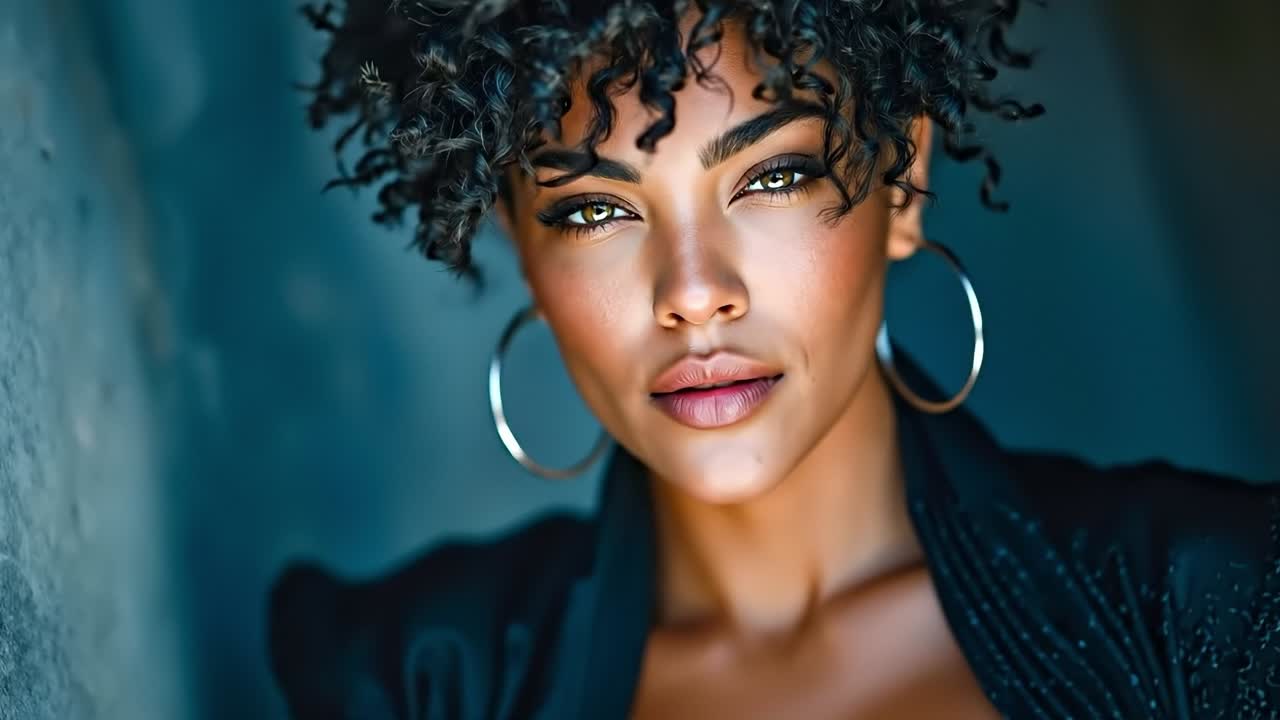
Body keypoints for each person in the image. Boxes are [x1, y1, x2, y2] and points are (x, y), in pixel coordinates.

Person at [268, 1, 1280, 717]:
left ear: (904, 179)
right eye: (593, 209)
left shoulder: (1214, 612)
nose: (692, 290)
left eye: (772, 175)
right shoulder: (413, 682)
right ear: (519, 241)